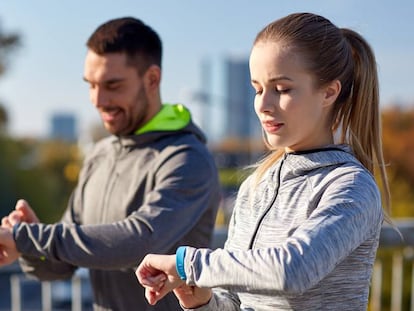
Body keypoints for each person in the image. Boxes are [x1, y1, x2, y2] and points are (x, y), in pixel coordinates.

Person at [135, 12, 391, 310]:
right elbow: (235, 301)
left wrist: (187, 263)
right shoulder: (256, 187)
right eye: (257, 89)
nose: (264, 105)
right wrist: (202, 301)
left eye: (282, 89)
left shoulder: (351, 186)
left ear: (329, 92)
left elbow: (292, 270)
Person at [0, 17, 221, 311]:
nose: (98, 99)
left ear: (152, 80)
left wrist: (30, 237)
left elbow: (138, 242)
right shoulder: (99, 155)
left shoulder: (187, 158)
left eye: (112, 85)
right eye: (91, 85)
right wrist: (28, 247)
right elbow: (58, 268)